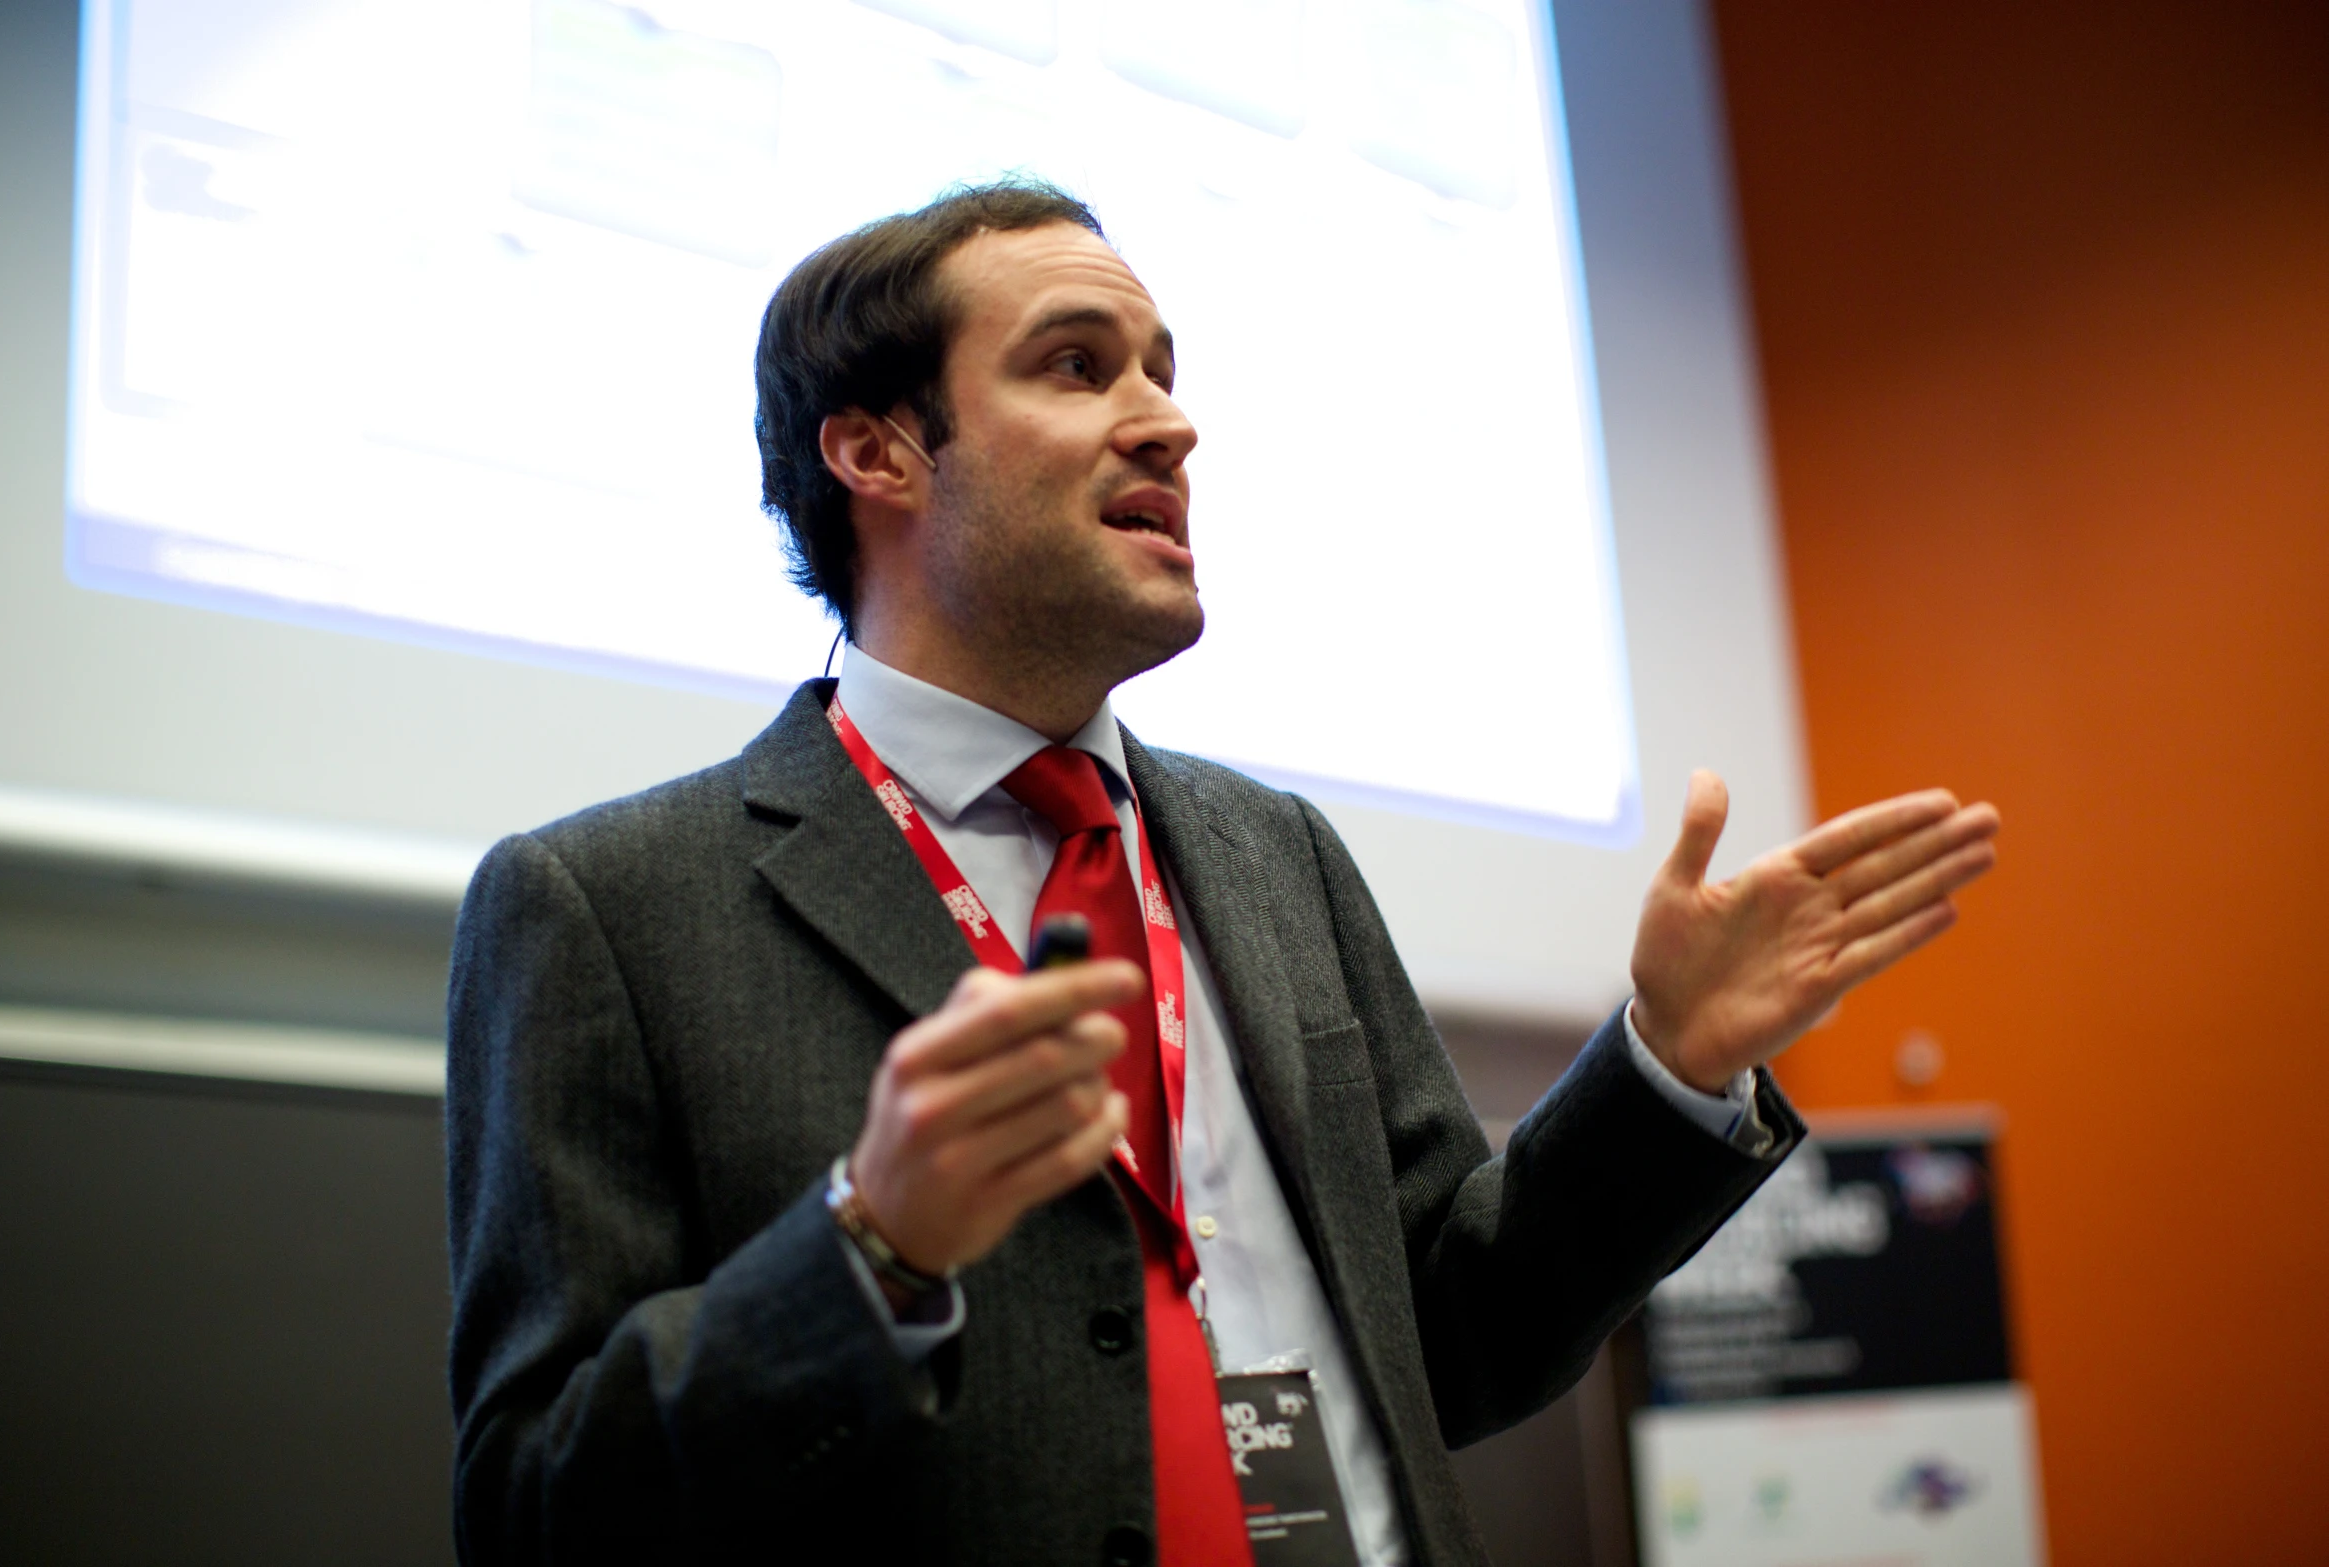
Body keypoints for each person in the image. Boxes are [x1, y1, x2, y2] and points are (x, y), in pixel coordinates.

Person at [445, 181, 1999, 1567]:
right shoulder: (605, 908)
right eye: (1075, 364)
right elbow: (534, 1502)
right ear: (872, 449)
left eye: (1162, 372)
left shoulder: (1274, 854)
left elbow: (1454, 1339)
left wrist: (1667, 1066)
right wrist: (869, 1245)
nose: (1167, 423)